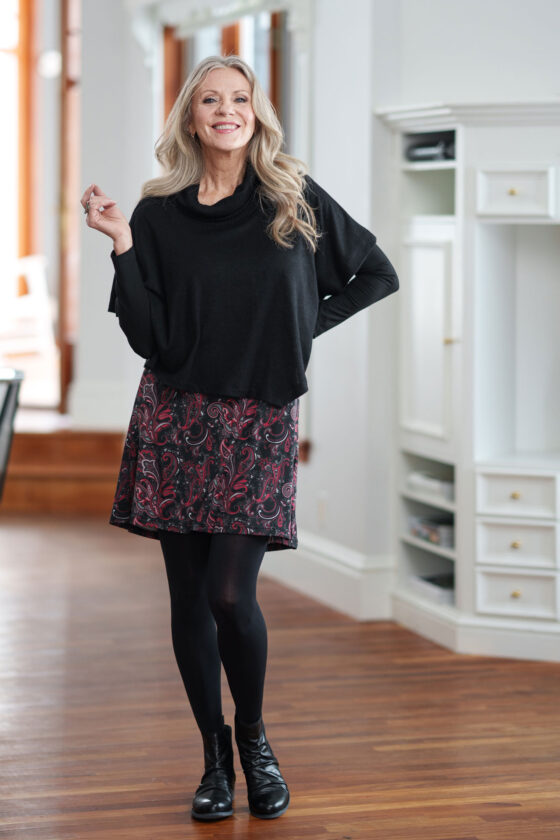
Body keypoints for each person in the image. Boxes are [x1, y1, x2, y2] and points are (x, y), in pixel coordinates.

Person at [81, 54, 399, 823]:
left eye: (240, 98)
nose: (227, 110)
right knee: (189, 595)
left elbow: (375, 273)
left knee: (231, 593)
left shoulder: (292, 196)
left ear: (256, 111)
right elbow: (148, 336)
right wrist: (121, 242)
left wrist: (295, 332)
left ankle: (255, 741)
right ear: (191, 117)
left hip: (258, 419)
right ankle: (214, 759)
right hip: (175, 413)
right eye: (211, 100)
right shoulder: (158, 212)